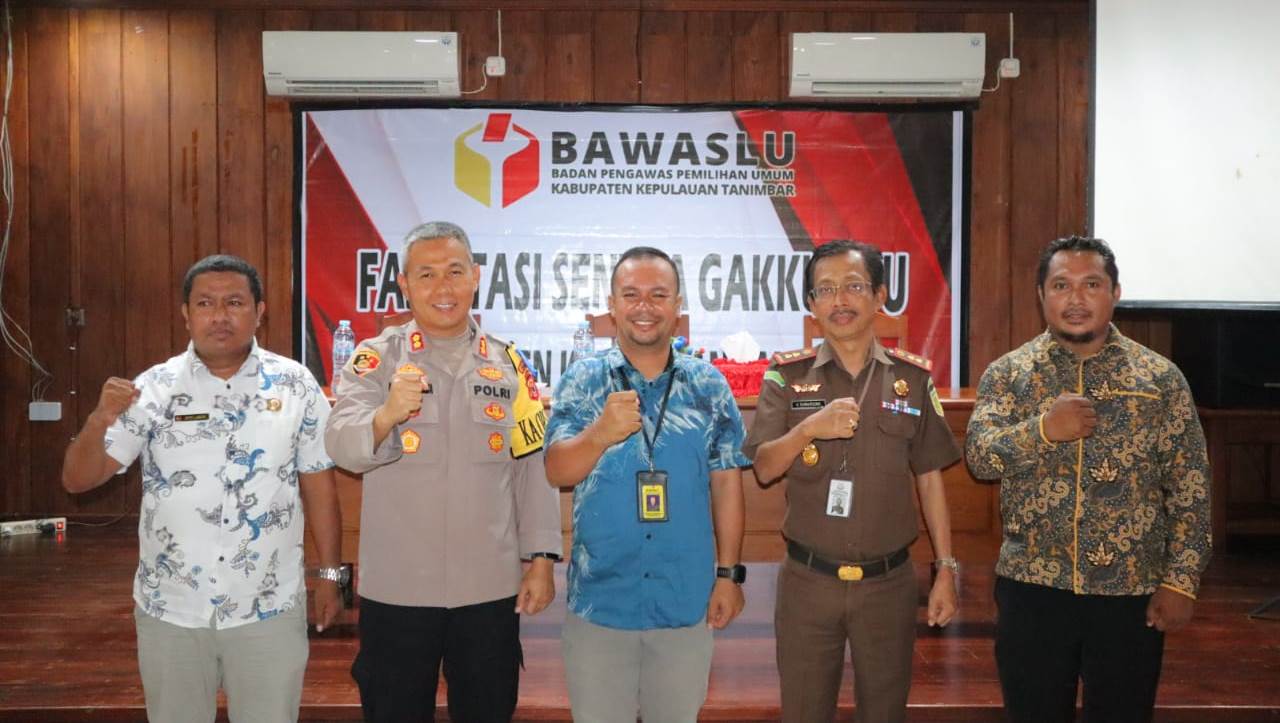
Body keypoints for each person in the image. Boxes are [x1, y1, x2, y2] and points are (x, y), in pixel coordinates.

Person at [61, 254, 343, 723]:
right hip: (172, 609)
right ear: (186, 314)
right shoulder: (152, 389)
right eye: (206, 303)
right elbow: (78, 479)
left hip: (267, 606)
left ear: (259, 311)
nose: (220, 316)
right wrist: (98, 419)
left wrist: (330, 576)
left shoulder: (295, 385)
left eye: (235, 302)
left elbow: (319, 485)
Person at [965, 235, 1211, 723]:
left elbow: (1190, 487)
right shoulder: (1009, 374)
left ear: (1115, 292)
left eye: (1091, 284)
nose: (1075, 299)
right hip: (1033, 588)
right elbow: (979, 459)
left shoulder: (1159, 379)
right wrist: (1042, 430)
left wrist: (1181, 581)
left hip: (1130, 592)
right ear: (1041, 295)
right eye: (1061, 285)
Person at [324, 221, 562, 722]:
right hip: (398, 587)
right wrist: (387, 414)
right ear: (405, 284)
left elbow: (531, 465)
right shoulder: (376, 359)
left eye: (454, 272)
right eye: (426, 274)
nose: (443, 287)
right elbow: (342, 445)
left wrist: (541, 559)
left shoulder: (509, 364)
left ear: (475, 276)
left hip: (487, 587)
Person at [744, 239, 961, 723]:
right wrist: (808, 428)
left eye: (854, 287)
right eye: (825, 290)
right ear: (811, 304)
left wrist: (946, 569)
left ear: (880, 296)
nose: (839, 300)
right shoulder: (785, 377)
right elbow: (764, 467)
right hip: (808, 583)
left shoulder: (912, 380)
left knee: (885, 713)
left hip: (888, 586)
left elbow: (929, 477)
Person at [544, 246, 749, 722]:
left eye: (658, 295)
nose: (644, 306)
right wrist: (599, 433)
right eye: (631, 294)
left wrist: (729, 575)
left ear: (677, 305)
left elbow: (727, 484)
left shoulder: (708, 385)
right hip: (601, 601)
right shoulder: (583, 380)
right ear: (611, 304)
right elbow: (557, 471)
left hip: (685, 599)